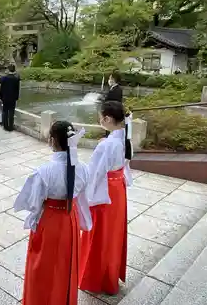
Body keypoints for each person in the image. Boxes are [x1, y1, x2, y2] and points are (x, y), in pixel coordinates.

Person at [14, 121, 91, 305]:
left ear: (52, 140)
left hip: (49, 221)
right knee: (66, 265)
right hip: (70, 220)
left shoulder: (44, 171)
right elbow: (83, 199)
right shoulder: (83, 169)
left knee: (42, 266)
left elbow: (33, 204)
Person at [78, 101, 133, 295]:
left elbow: (94, 174)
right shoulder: (124, 139)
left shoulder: (107, 145)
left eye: (100, 116)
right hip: (117, 190)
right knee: (113, 234)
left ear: (107, 119)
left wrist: (84, 196)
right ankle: (109, 276)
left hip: (105, 193)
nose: (99, 119)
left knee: (99, 235)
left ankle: (96, 278)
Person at [0, 64, 20, 131]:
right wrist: (16, 97)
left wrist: (1, 97)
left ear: (8, 70)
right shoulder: (16, 79)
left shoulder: (3, 78)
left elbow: (1, 89)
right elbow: (17, 90)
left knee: (5, 111)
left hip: (5, 97)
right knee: (11, 112)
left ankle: (5, 126)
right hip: (13, 98)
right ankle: (11, 126)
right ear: (14, 70)